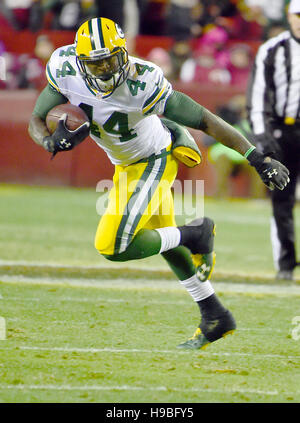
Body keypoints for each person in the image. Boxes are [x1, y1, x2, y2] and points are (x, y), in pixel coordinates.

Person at [28, 17, 289, 350]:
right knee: (164, 242)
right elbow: (37, 118)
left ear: (124, 52)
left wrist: (257, 158)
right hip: (125, 165)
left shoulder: (143, 80)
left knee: (113, 244)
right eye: (97, 63)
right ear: (80, 62)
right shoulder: (64, 68)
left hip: (153, 159)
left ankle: (197, 233)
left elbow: (206, 119)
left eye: (111, 58)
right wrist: (49, 142)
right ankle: (215, 315)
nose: (107, 69)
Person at [247, 0, 300, 281]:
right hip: (285, 131)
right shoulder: (272, 50)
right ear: (288, 16)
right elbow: (257, 100)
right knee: (282, 198)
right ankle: (286, 265)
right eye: (298, 15)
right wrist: (265, 141)